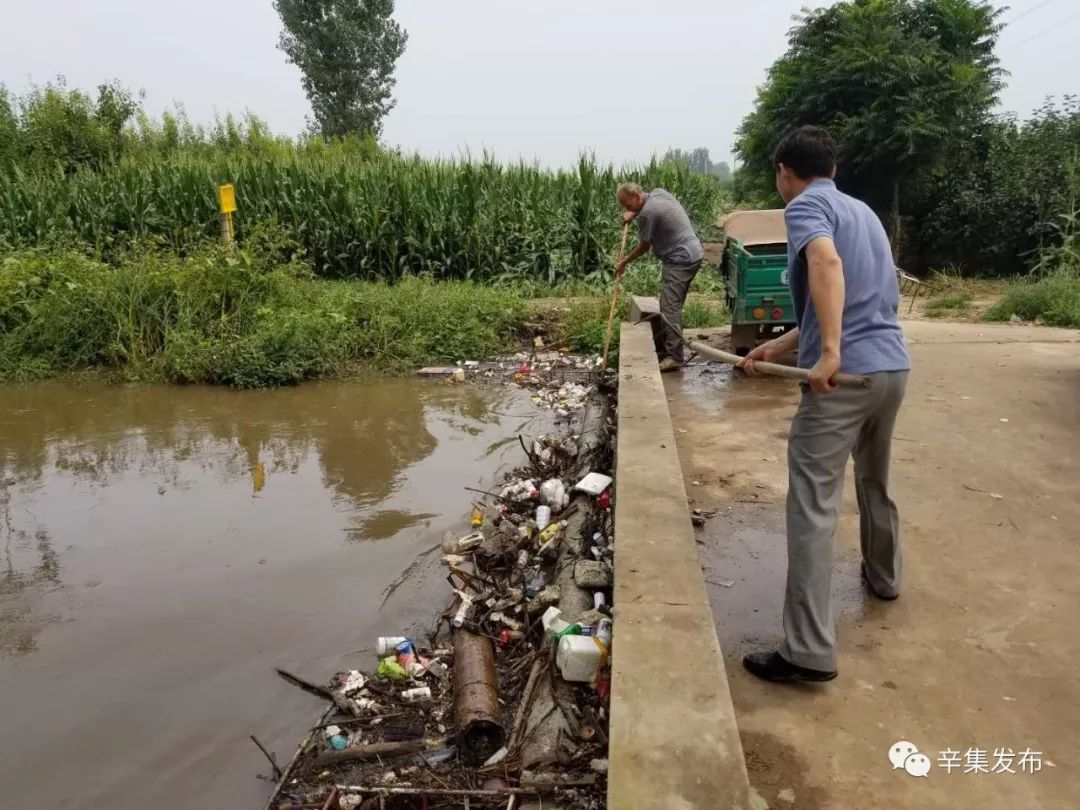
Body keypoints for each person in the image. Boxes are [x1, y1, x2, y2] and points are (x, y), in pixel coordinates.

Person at [738, 126, 911, 684]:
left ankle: (807, 651)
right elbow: (866, 293)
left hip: (844, 381)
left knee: (812, 507)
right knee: (875, 481)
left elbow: (827, 266)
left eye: (777, 175)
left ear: (785, 171)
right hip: (890, 369)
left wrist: (831, 352)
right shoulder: (863, 213)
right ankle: (884, 578)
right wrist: (785, 342)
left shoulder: (805, 207)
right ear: (832, 167)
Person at [615, 183, 704, 371]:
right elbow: (650, 211)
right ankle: (670, 348)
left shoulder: (647, 214)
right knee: (673, 305)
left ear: (636, 196)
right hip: (693, 251)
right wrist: (634, 213)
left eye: (627, 205)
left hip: (680, 258)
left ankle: (674, 357)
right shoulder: (658, 193)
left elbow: (644, 246)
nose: (626, 209)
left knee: (669, 307)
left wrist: (623, 262)